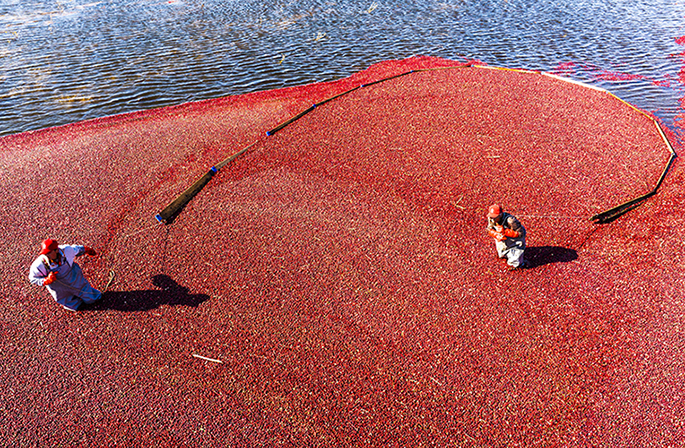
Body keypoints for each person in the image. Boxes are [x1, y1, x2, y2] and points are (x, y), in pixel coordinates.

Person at [28, 239, 102, 311]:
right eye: (45, 253)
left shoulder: (66, 251)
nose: (46, 255)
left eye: (49, 252)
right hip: (58, 286)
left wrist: (86, 250)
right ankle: (76, 305)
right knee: (66, 300)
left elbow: (77, 249)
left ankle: (93, 297)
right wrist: (46, 280)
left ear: (56, 250)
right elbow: (32, 278)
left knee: (87, 292)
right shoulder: (39, 265)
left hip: (73, 276)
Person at [486, 204, 527, 270]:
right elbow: (489, 229)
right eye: (491, 217)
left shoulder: (511, 220)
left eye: (495, 217)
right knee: (502, 250)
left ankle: (517, 264)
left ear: (500, 215)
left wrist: (505, 232)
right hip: (502, 235)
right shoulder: (491, 218)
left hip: (515, 237)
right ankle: (505, 253)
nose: (492, 219)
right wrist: (496, 234)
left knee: (516, 250)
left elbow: (520, 233)